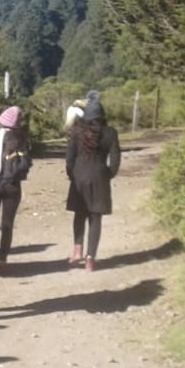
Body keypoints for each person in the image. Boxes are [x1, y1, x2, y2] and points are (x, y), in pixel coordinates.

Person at [65, 91, 121, 272]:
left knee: (79, 214)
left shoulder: (76, 132)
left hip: (79, 176)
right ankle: (91, 257)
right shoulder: (111, 133)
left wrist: (72, 175)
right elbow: (115, 158)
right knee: (95, 218)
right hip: (100, 177)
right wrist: (109, 174)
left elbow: (69, 159)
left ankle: (77, 250)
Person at [0, 106, 32, 273]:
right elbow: (27, 163)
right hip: (12, 185)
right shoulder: (21, 139)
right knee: (7, 224)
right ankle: (3, 259)